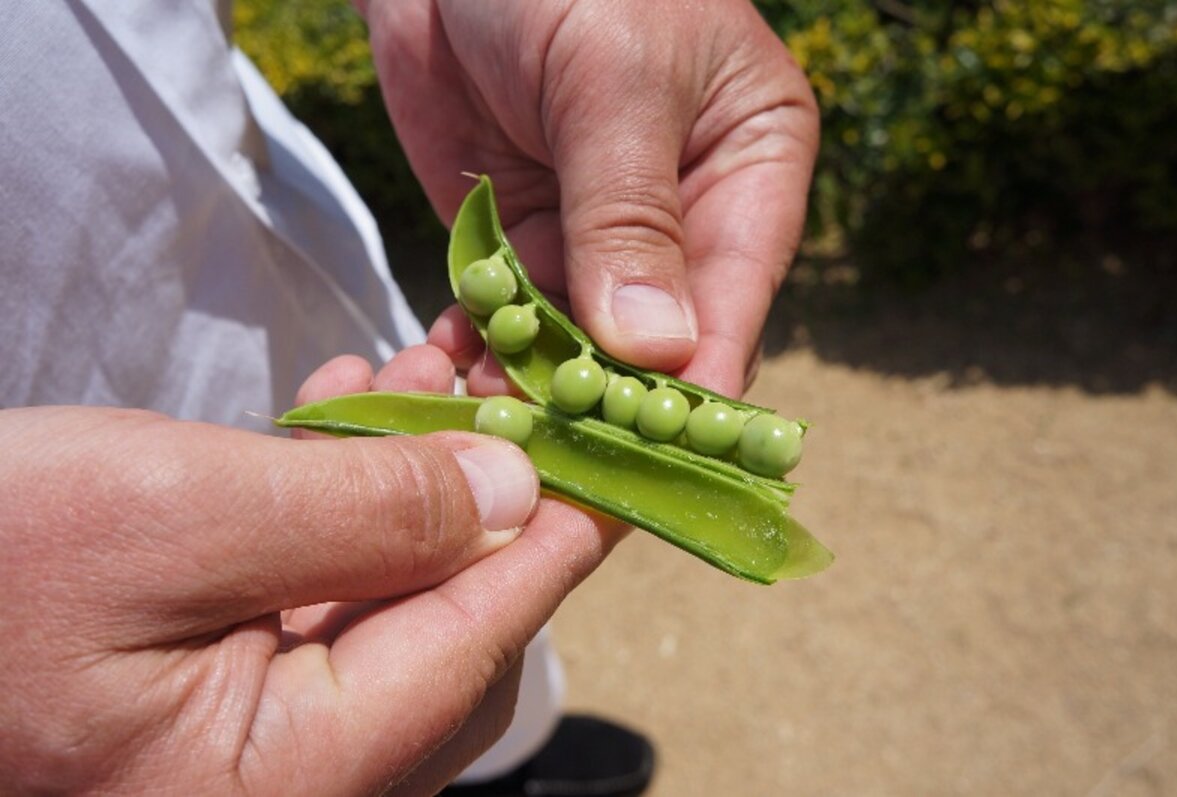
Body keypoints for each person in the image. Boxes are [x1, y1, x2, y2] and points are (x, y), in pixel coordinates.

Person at [0, 0, 818, 794]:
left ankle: (516, 758)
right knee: (358, 670)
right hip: (62, 512)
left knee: (482, 634)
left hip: (258, 195)